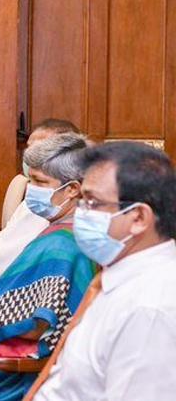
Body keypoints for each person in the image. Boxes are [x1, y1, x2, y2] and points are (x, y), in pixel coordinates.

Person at [0, 133, 97, 401]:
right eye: (31, 180)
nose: (31, 189)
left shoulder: (64, 246)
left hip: (3, 376)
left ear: (73, 189)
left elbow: (38, 324)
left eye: (40, 182)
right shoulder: (63, 230)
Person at [26, 142, 176, 400]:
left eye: (92, 203)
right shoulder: (119, 278)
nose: (80, 213)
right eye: (82, 200)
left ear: (138, 218)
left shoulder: (149, 308)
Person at [0, 119, 81, 288]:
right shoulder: (38, 195)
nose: (30, 156)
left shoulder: (53, 204)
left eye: (40, 150)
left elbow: (5, 263)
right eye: (29, 149)